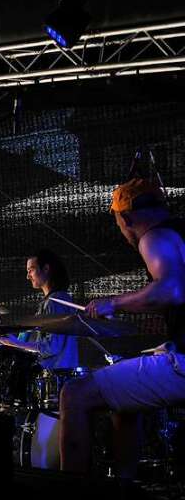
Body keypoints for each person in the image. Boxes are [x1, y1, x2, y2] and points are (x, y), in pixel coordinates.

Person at [61, 179, 185, 478]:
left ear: (125, 218)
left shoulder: (153, 237)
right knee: (124, 401)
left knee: (73, 395)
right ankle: (122, 492)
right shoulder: (180, 231)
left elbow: (172, 290)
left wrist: (113, 303)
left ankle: (69, 499)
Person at [0, 249, 81, 369]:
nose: (28, 276)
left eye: (30, 270)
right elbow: (32, 339)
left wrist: (14, 343)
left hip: (55, 375)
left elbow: (52, 347)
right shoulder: (52, 300)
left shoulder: (55, 302)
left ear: (46, 269)